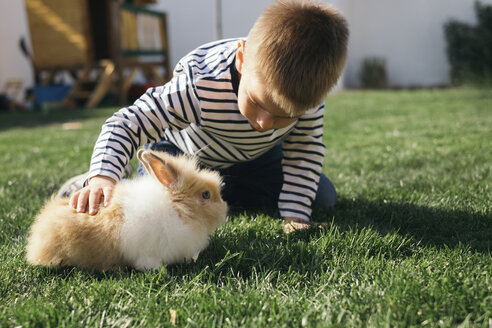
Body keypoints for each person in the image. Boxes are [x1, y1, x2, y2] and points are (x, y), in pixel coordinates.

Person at [62, 0, 349, 232]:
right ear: (241, 59)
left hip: (253, 159)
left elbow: (303, 152)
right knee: (153, 210)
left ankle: (222, 193)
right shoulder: (200, 84)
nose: (263, 123)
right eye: (257, 103)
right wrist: (103, 176)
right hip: (183, 159)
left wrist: (295, 215)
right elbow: (127, 123)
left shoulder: (308, 99)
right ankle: (101, 181)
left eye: (282, 117)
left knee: (323, 196)